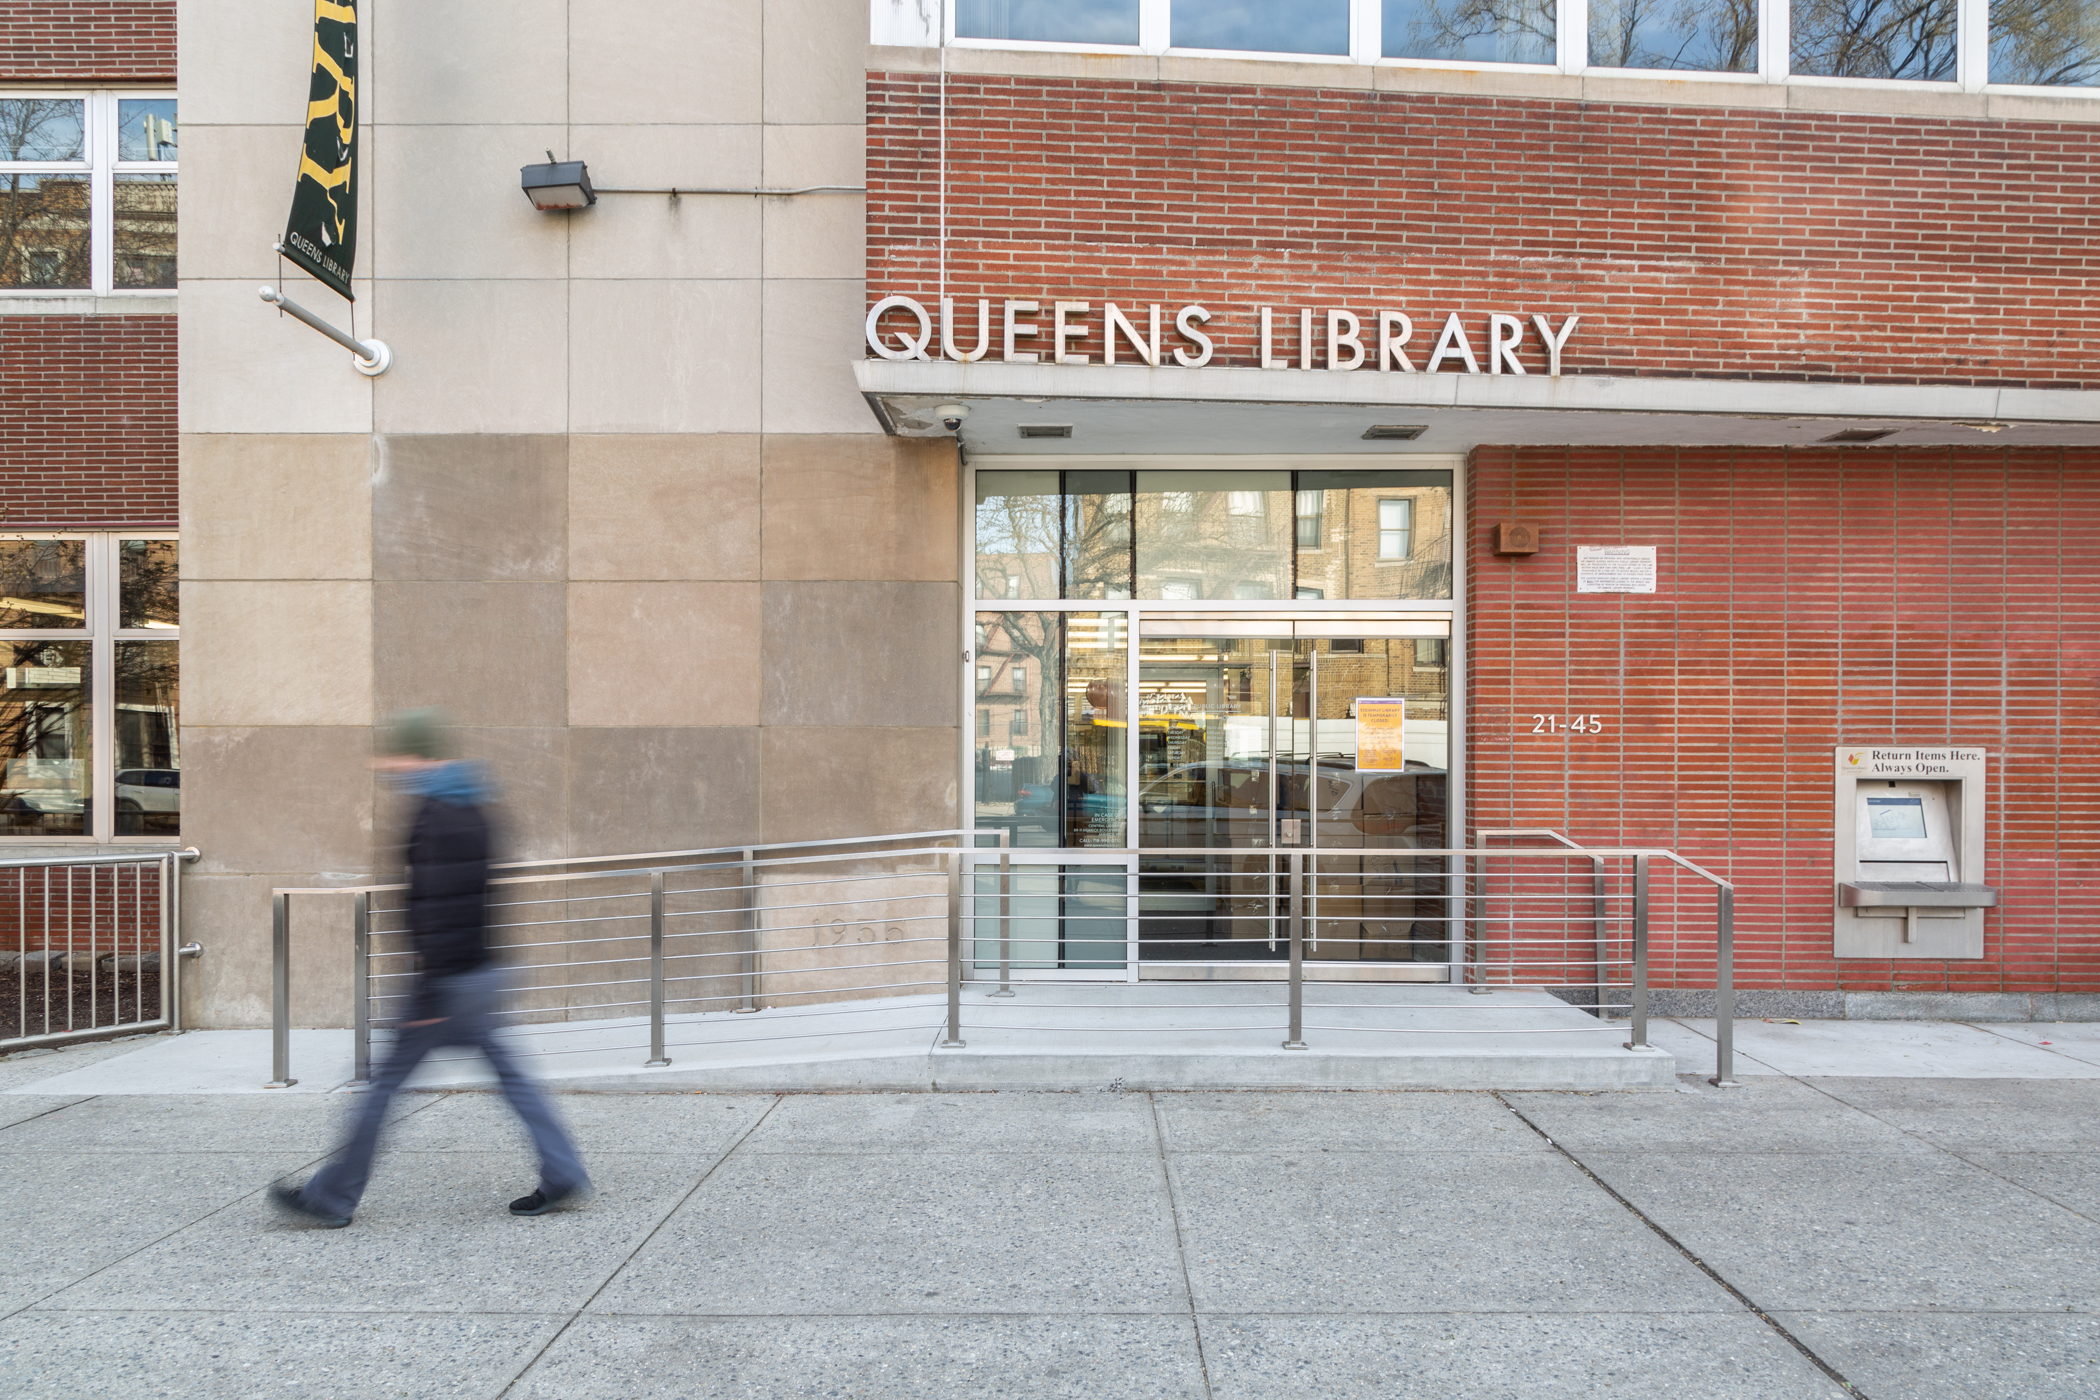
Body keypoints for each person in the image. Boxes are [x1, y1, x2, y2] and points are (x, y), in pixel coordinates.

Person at [270, 709, 590, 1228]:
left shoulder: (436, 814)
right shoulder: (472, 804)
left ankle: (331, 1197)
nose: (386, 765)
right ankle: (563, 1170)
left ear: (415, 755)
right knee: (514, 1080)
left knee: (383, 1086)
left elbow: (441, 908)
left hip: (449, 980)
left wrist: (430, 993)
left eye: (394, 754)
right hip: (480, 971)